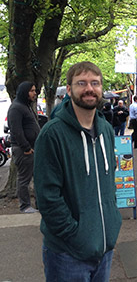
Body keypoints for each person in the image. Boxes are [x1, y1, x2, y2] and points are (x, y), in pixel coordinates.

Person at [33, 61, 122, 280]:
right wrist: (75, 235)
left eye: (95, 83)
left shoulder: (107, 130)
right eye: (81, 83)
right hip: (67, 254)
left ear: (101, 89)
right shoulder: (52, 134)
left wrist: (113, 222)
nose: (89, 89)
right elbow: (47, 197)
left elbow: (108, 183)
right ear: (70, 90)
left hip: (104, 248)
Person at [7, 81, 40, 213]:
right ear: (24, 92)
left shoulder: (26, 106)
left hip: (32, 148)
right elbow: (16, 130)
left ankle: (40, 204)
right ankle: (25, 206)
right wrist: (26, 148)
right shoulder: (16, 108)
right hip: (24, 150)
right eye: (32, 91)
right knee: (24, 178)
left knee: (37, 177)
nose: (35, 93)